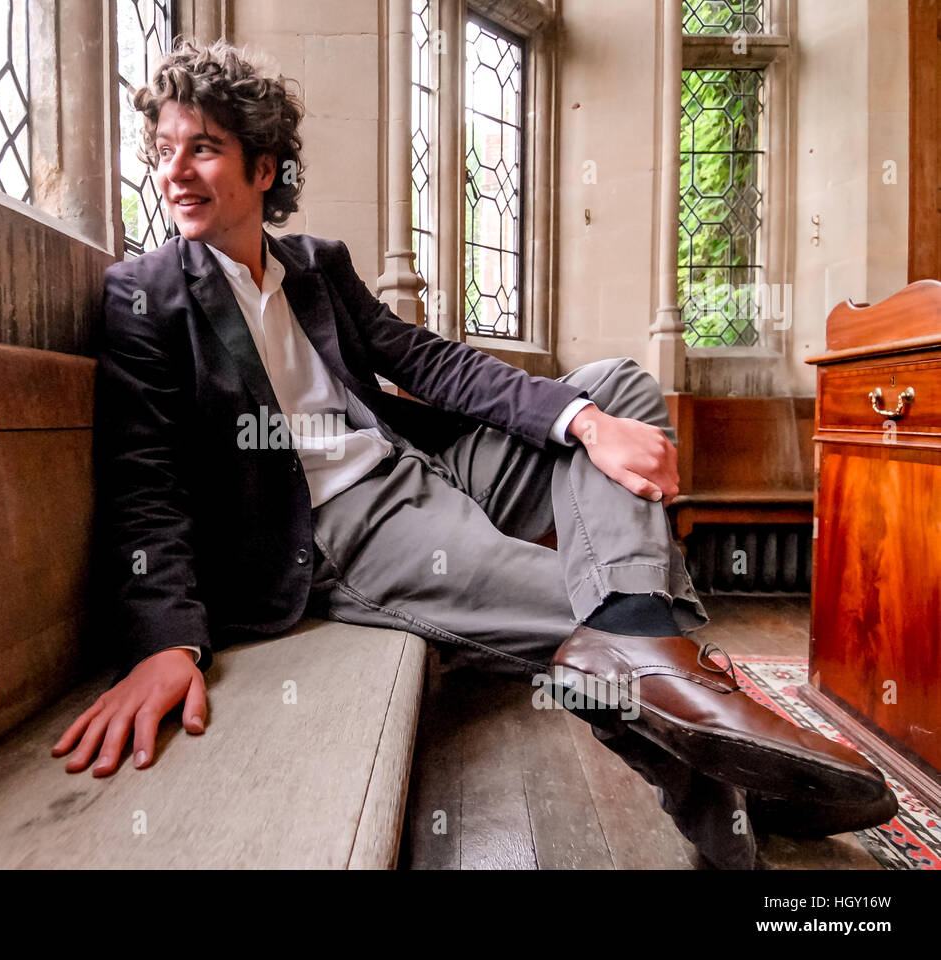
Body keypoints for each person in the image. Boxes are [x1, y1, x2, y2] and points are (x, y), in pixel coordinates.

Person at [51, 37, 895, 868]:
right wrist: (167, 639)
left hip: (426, 463)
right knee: (584, 620)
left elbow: (427, 362)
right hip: (340, 527)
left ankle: (635, 630)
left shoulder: (316, 267)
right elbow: (143, 483)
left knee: (618, 390)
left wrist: (585, 424)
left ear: (263, 167)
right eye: (165, 150)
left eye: (203, 147)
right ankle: (739, 821)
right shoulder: (145, 296)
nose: (175, 171)